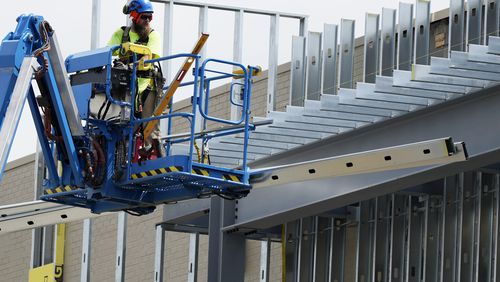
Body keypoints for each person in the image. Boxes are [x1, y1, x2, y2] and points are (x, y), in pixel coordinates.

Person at [108, 0, 165, 158]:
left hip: (147, 86)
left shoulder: (153, 35)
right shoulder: (121, 34)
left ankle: (154, 151)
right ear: (134, 16)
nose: (147, 21)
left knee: (150, 125)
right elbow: (107, 52)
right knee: (120, 123)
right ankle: (121, 154)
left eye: (149, 17)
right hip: (124, 86)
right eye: (144, 17)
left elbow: (150, 56)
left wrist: (135, 63)